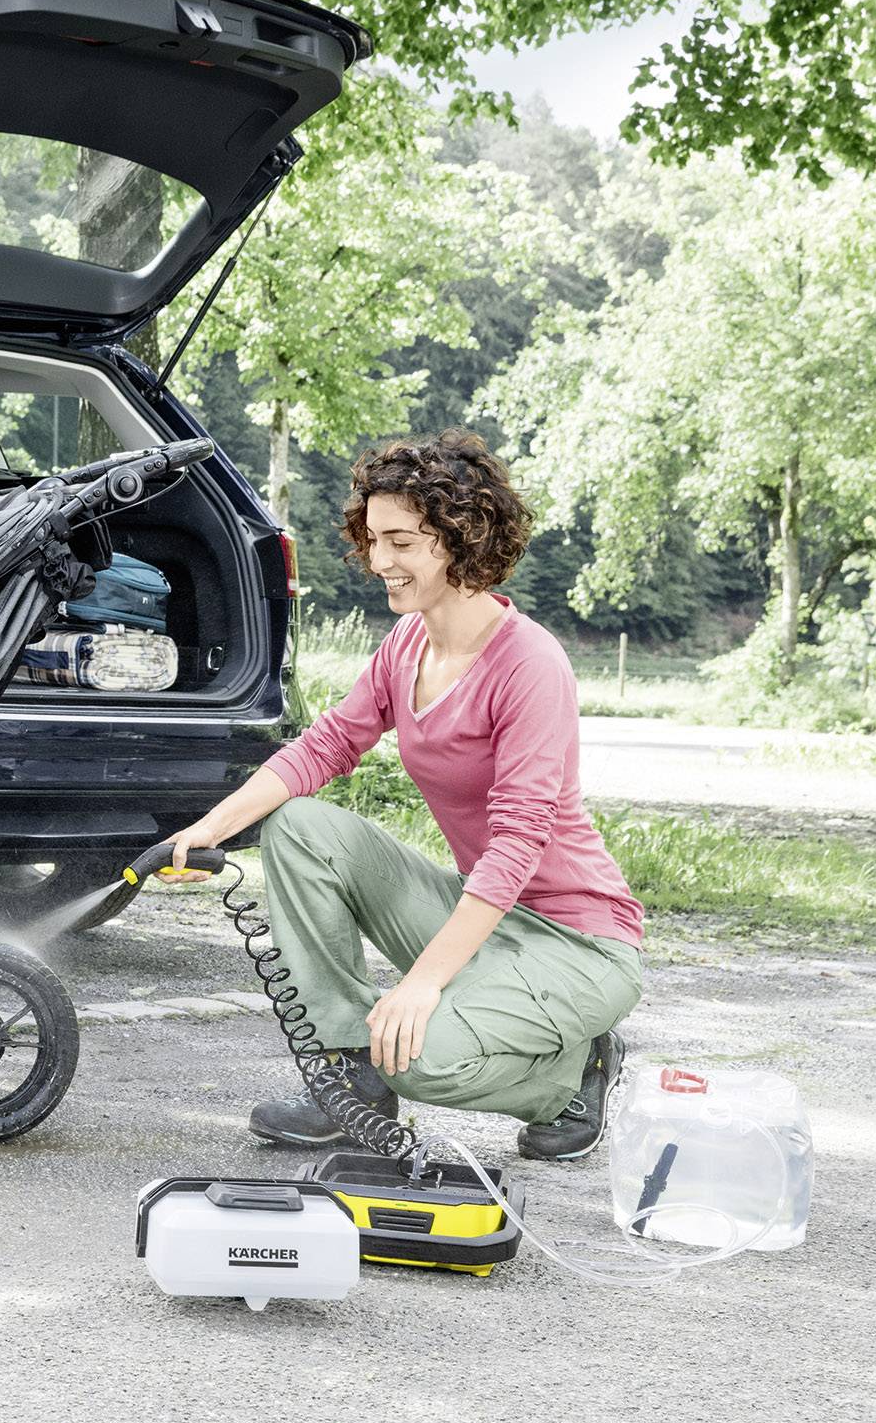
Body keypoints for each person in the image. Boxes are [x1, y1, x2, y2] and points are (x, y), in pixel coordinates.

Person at [161, 429, 644, 1161]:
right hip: (487, 913)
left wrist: (420, 984)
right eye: (373, 539)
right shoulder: (407, 645)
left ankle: (574, 1076)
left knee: (412, 1055)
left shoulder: (530, 664)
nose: (379, 560)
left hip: (578, 941)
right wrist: (208, 829)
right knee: (298, 827)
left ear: (460, 538)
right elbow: (325, 746)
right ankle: (348, 1076)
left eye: (401, 542)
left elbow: (516, 843)